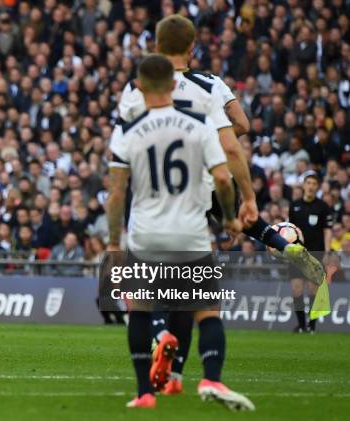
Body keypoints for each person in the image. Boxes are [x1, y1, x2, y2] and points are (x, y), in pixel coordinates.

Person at [117, 14, 325, 396]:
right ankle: (283, 244)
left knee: (147, 287)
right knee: (201, 281)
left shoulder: (137, 88)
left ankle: (159, 346)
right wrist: (239, 185)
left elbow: (126, 144)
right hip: (204, 179)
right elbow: (239, 131)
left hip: (153, 192)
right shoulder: (211, 85)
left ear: (157, 47)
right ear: (192, 47)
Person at [107, 54, 253, 410]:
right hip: (190, 231)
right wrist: (231, 217)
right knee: (206, 312)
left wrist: (113, 244)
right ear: (174, 85)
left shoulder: (126, 128)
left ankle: (144, 393)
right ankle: (211, 378)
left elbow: (116, 194)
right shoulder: (198, 122)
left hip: (145, 232)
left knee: (139, 312)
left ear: (139, 87)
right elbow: (221, 177)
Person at [289, 171, 333, 333]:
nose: (311, 186)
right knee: (296, 288)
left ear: (318, 187)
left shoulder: (323, 207)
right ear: (303, 185)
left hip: (316, 253)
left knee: (313, 290)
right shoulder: (294, 206)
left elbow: (327, 230)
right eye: (308, 183)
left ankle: (312, 325)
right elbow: (290, 230)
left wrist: (327, 251)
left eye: (314, 184)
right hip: (296, 253)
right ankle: (301, 325)